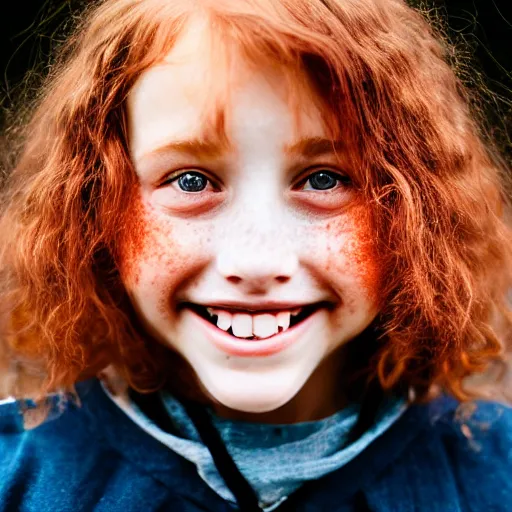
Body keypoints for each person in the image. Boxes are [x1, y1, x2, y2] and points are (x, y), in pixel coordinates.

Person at [0, 0, 511, 510]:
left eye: (323, 179)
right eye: (192, 181)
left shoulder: (495, 477)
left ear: (415, 205)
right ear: (94, 203)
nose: (257, 261)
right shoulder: (17, 477)